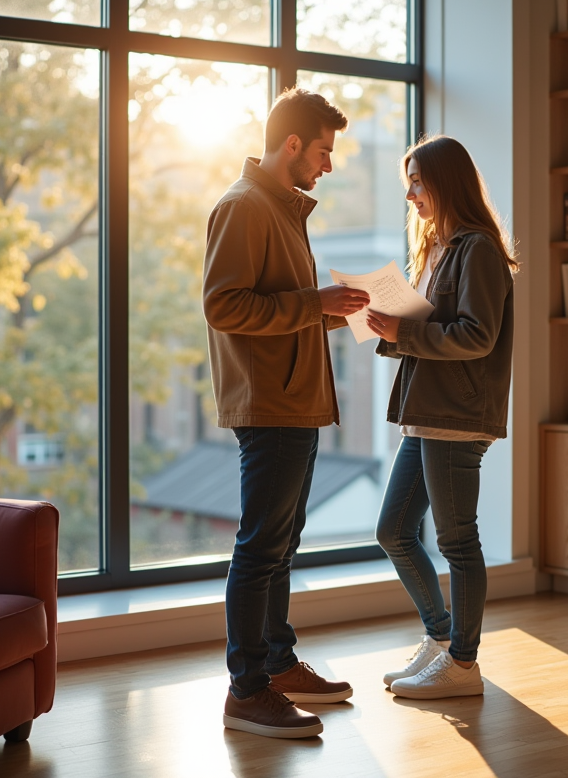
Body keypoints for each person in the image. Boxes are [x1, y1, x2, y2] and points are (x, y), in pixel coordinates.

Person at [203, 87, 371, 739]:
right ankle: (247, 690)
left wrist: (330, 310)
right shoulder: (244, 207)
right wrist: (314, 303)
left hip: (294, 403)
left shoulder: (280, 209)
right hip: (270, 405)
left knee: (280, 544)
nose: (328, 167)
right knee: (261, 546)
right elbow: (225, 307)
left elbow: (281, 307)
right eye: (323, 152)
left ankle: (275, 663)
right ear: (293, 144)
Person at [366, 134, 518, 700]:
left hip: (456, 417)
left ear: (444, 182)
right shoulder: (439, 248)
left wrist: (403, 330)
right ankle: (440, 639)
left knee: (457, 541)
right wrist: (391, 326)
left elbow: (477, 336)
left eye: (417, 182)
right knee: (394, 531)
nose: (410, 195)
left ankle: (462, 663)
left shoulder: (478, 249)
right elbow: (432, 329)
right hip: (428, 414)